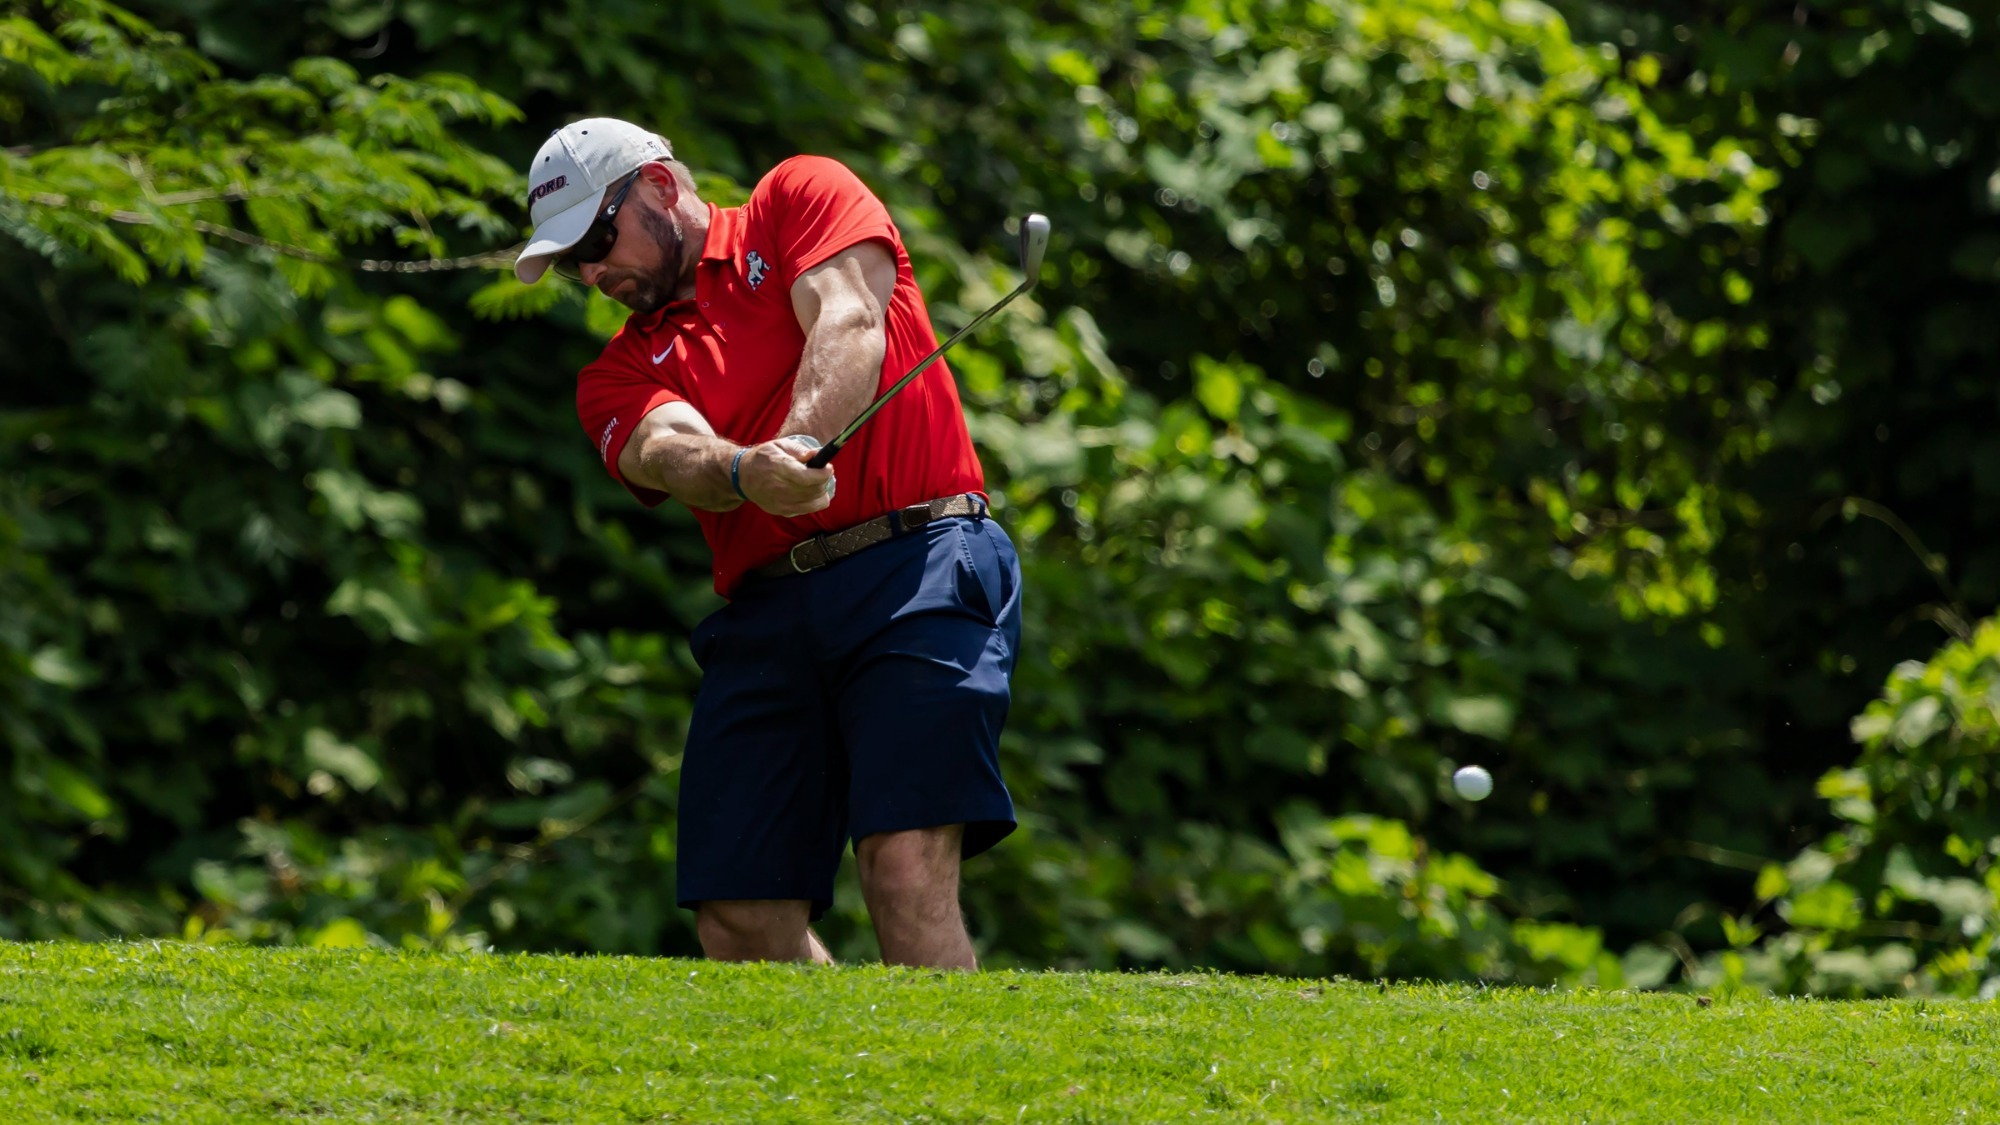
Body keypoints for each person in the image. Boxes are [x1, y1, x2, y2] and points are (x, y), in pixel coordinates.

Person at [512, 118, 1021, 970]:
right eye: (574, 263)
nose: (595, 272)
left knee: (901, 866)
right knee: (739, 917)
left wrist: (799, 442)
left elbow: (849, 317)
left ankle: (946, 1091)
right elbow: (664, 450)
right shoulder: (616, 372)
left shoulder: (799, 194)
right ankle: (837, 1080)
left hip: (920, 564)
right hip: (770, 605)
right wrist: (749, 470)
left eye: (599, 237)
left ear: (662, 189)